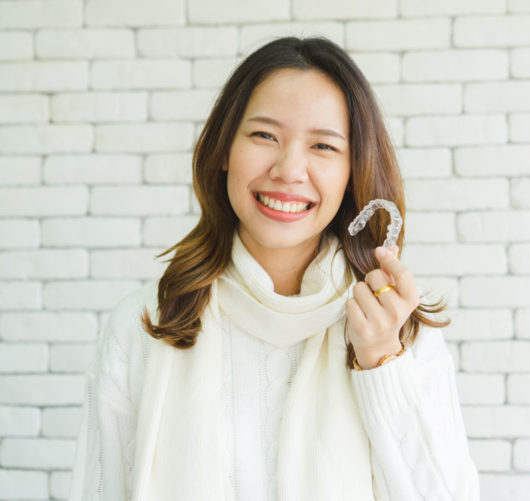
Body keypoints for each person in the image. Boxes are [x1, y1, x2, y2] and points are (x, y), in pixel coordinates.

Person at [68, 36, 479, 501]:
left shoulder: (399, 329)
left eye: (323, 146)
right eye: (265, 136)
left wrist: (381, 361)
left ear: (351, 171)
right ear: (224, 150)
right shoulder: (144, 325)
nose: (289, 169)